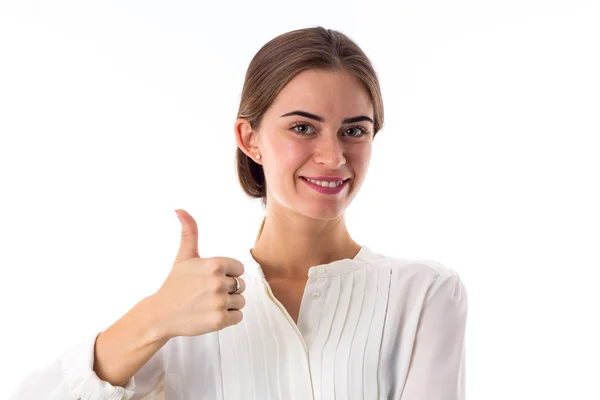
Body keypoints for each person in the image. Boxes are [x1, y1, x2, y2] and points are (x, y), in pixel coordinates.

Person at [10, 26, 468, 400]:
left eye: (354, 130)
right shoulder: (190, 309)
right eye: (303, 127)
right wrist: (155, 317)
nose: (333, 156)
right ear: (250, 140)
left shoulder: (424, 295)